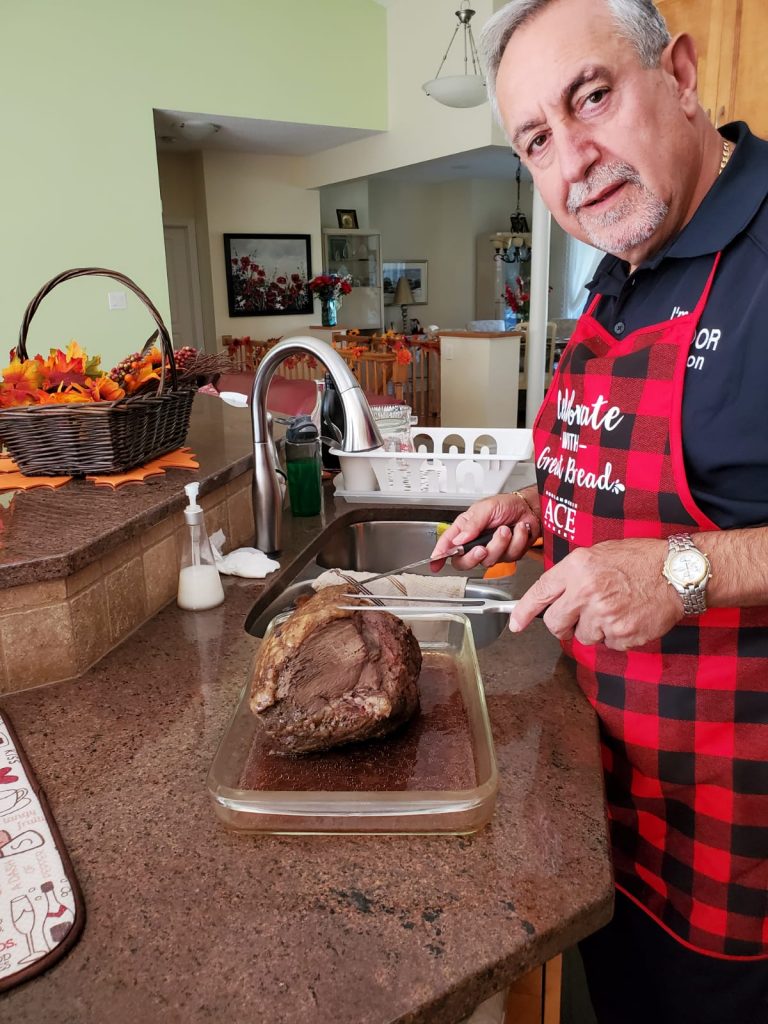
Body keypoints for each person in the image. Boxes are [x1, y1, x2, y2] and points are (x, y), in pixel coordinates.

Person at [430, 1, 768, 1021]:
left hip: (740, 868)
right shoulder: (620, 261)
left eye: (593, 96)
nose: (573, 159)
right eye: (537, 138)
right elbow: (623, 454)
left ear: (680, 73)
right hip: (610, 818)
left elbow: (685, 542)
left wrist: (682, 571)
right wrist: (540, 500)